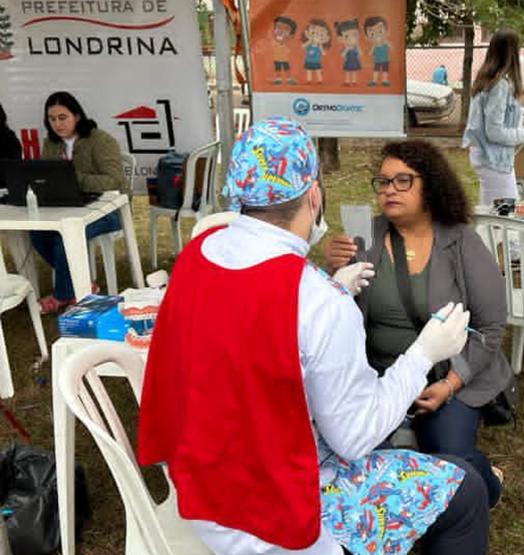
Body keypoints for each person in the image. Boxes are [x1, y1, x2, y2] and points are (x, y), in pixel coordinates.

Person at [138, 118, 489, 555]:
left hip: (205, 486)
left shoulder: (199, 255)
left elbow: (247, 327)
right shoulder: (316, 301)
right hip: (278, 518)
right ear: (314, 194)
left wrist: (333, 290)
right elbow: (354, 437)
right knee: (467, 489)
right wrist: (424, 353)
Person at [322, 140, 512, 509]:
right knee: (358, 457)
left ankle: (489, 479)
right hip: (377, 377)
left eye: (402, 180)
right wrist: (333, 269)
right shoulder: (364, 237)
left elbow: (490, 328)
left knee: (449, 460)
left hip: (444, 375)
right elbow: (331, 313)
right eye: (383, 181)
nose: (389, 189)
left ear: (430, 186)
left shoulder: (461, 243)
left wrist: (449, 384)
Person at [32, 91, 127, 314]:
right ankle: (81, 284)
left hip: (107, 210)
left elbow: (114, 181)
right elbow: (48, 176)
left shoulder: (100, 140)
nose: (57, 124)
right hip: (67, 207)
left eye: (62, 117)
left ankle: (62, 295)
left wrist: (75, 178)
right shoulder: (51, 144)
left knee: (64, 235)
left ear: (76, 115)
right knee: (37, 233)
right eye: (52, 119)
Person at [462, 29, 524, 209]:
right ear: (512, 53)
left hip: (488, 158)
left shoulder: (487, 80)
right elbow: (494, 131)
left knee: (490, 212)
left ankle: (487, 237)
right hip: (493, 159)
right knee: (504, 216)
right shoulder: (499, 86)